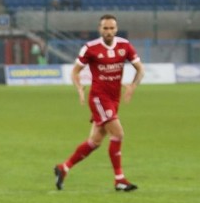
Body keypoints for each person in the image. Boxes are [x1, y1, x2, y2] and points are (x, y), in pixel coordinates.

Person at [54, 14, 144, 192]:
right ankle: (119, 179)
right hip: (99, 98)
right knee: (118, 134)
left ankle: (63, 168)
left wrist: (133, 86)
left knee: (94, 141)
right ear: (100, 29)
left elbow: (140, 69)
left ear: (116, 29)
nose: (109, 31)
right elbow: (75, 71)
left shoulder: (124, 46)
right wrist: (79, 88)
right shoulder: (90, 48)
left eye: (112, 28)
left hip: (113, 98)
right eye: (105, 28)